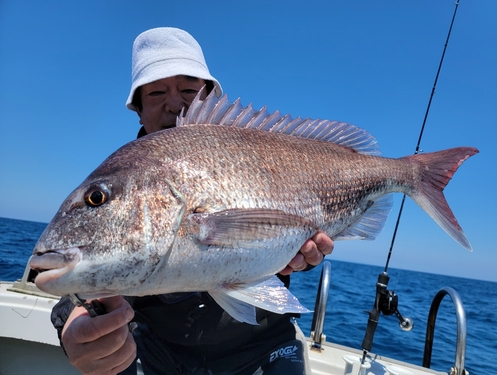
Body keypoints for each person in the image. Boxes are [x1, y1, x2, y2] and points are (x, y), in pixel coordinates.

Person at [51, 27, 334, 375]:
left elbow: (299, 233)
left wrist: (302, 256)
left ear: (209, 97)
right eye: (156, 92)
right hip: (159, 350)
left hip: (263, 343)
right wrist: (73, 322)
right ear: (138, 110)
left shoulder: (262, 152)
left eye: (188, 89)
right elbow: (91, 270)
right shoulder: (122, 178)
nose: (175, 103)